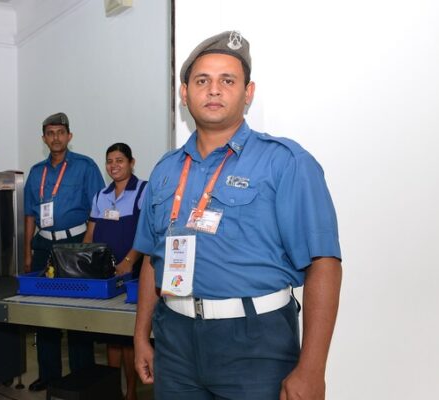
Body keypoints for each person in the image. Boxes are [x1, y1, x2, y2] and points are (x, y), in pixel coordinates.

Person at [132, 31, 342, 400]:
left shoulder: (285, 162)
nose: (214, 90)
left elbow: (324, 262)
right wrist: (140, 337)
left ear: (248, 93)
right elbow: (152, 257)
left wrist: (312, 369)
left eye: (227, 80)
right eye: (202, 81)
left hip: (255, 341)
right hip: (175, 339)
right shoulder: (165, 170)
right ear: (184, 94)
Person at [23, 112, 105, 392]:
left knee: (76, 310)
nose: (55, 137)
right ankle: (49, 374)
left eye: (60, 132)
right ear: (44, 138)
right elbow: (30, 215)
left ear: (69, 136)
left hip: (76, 243)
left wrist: (88, 246)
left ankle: (81, 374)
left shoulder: (85, 166)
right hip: (44, 244)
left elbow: (98, 209)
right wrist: (26, 253)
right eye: (50, 133)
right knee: (44, 311)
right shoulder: (36, 172)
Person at [82, 142, 146, 400]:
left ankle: (131, 392)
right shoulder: (101, 195)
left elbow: (146, 232)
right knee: (111, 335)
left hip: (133, 272)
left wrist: (129, 261)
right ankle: (113, 391)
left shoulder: (143, 190)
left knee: (129, 335)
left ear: (132, 162)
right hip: (106, 274)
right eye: (110, 161)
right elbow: (91, 233)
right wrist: (83, 259)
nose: (114, 166)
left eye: (120, 160)